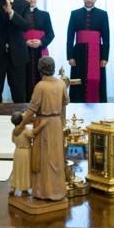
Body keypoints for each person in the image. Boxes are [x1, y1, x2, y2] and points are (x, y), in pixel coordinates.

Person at [14, 57, 69, 201]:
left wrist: (20, 126)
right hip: (56, 123)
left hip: (43, 124)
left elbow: (31, 110)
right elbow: (66, 101)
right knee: (56, 158)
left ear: (40, 69)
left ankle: (44, 191)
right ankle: (58, 190)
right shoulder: (61, 84)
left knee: (44, 158)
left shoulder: (41, 86)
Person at [66, 0, 109, 103]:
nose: (89, 0)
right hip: (78, 54)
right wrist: (70, 56)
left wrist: (105, 57)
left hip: (97, 54)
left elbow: (106, 38)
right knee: (78, 82)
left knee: (97, 82)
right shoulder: (75, 14)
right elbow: (70, 37)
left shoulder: (103, 14)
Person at [23, 0, 55, 101]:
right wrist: (25, 42)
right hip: (25, 51)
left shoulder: (44, 15)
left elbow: (51, 34)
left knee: (41, 78)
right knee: (25, 79)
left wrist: (41, 42)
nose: (31, 0)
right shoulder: (20, 14)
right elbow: (16, 34)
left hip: (40, 51)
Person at [10, 111, 47, 197]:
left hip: (17, 151)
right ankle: (25, 188)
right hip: (26, 152)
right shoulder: (25, 131)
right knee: (26, 170)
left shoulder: (14, 130)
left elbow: (12, 140)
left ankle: (14, 187)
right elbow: (34, 133)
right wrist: (42, 125)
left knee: (17, 170)